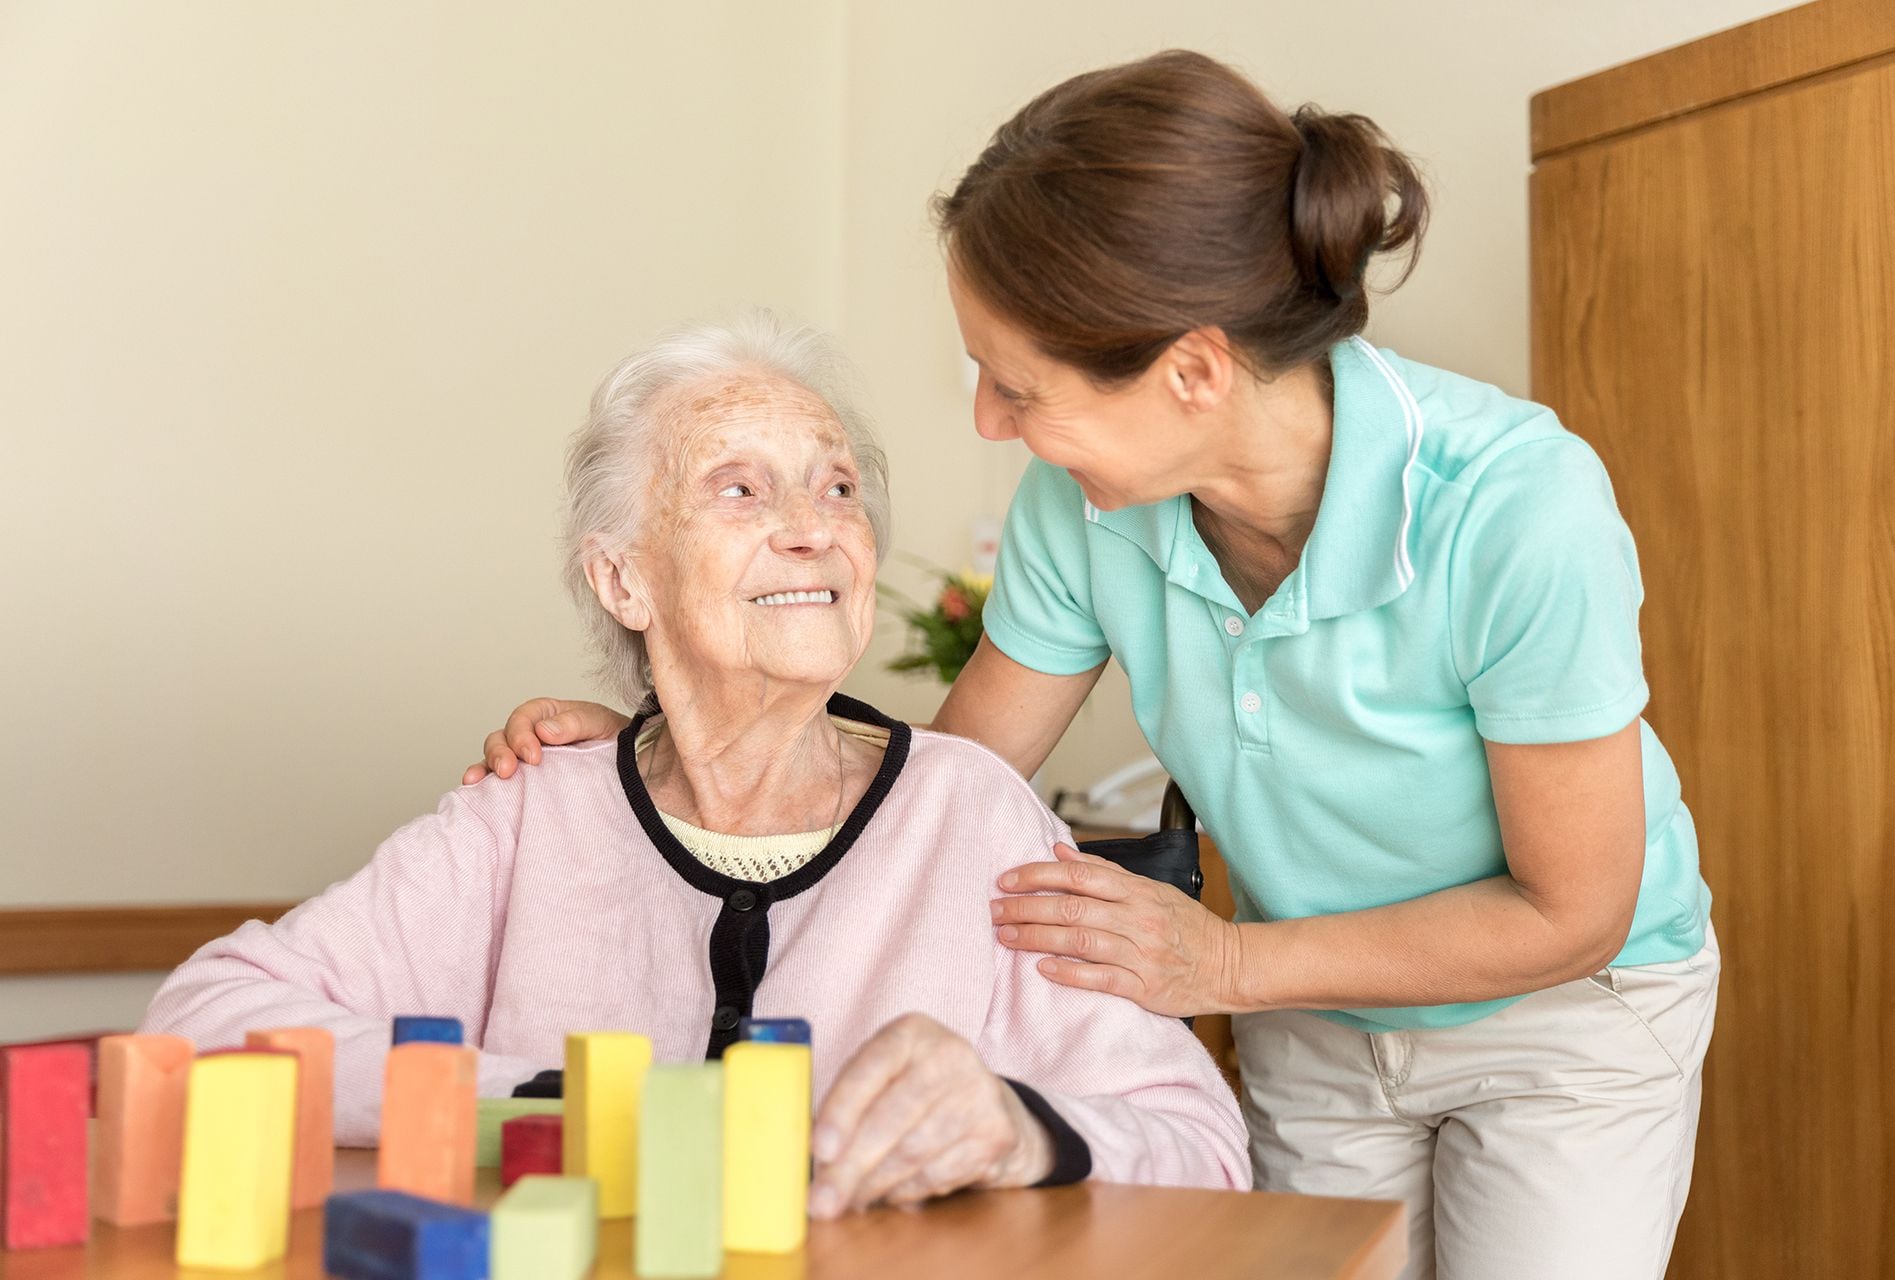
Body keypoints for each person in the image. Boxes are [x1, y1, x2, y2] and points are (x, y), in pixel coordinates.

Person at [470, 51, 1719, 1278]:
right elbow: (944, 789)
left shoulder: (1512, 506)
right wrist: (677, 751)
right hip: (1316, 1018)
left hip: (1566, 1015)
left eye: (1019, 387)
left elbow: (1574, 909)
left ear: (1191, 371)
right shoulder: (1086, 509)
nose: (987, 423)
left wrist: (1226, 965)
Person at [142, 312, 1251, 1218]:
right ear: (626, 581)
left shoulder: (971, 814)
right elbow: (204, 1017)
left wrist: (1025, 1126)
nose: (812, 528)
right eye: (740, 488)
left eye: (837, 488)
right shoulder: (532, 813)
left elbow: (1203, 1143)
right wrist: (568, 1103)